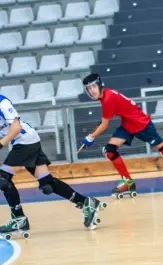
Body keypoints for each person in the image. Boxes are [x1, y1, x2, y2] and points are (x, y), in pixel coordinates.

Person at [79, 73, 163, 197]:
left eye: (93, 87)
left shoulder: (107, 98)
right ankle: (128, 182)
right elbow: (105, 120)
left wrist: (91, 137)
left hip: (140, 124)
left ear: (100, 85)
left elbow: (104, 124)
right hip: (128, 124)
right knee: (109, 150)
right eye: (89, 89)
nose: (92, 91)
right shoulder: (105, 96)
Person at [0, 94, 106, 237]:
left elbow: (16, 127)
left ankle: (19, 218)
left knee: (3, 179)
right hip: (27, 141)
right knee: (47, 184)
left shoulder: (2, 101)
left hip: (25, 141)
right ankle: (87, 202)